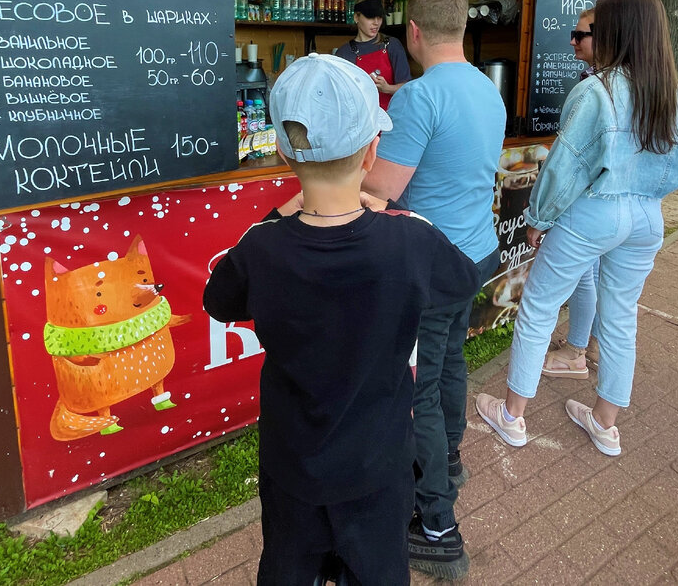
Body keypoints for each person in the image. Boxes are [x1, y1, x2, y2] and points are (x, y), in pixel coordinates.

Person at [204, 53, 478, 586]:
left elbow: (220, 299)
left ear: (283, 152)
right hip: (378, 468)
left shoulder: (262, 247)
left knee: (287, 568)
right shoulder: (410, 239)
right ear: (373, 152)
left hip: (292, 465)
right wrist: (395, 212)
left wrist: (279, 213)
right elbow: (463, 279)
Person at [475, 0, 678, 458]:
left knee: (538, 306)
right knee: (621, 320)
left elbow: (565, 165)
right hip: (646, 216)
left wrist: (538, 217)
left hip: (593, 212)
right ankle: (605, 423)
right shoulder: (669, 92)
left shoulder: (596, 90)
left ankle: (512, 416)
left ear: (618, 30)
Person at [362, 0, 505, 580]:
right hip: (475, 256)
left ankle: (439, 530)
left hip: (428, 265)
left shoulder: (420, 98)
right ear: (463, 30)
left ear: (412, 32)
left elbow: (379, 191)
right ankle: (447, 460)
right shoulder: (487, 90)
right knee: (448, 364)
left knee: (417, 386)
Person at [541, 8, 599, 379]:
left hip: (590, 200)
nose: (572, 41)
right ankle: (589, 345)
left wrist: (540, 216)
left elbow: (569, 158)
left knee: (582, 275)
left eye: (580, 35)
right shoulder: (645, 79)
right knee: (597, 275)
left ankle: (577, 349)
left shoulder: (594, 88)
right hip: (625, 205)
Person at [335, 0, 412, 110]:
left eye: (379, 17)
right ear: (356, 17)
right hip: (361, 123)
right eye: (370, 17)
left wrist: (388, 88)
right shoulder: (344, 53)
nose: (376, 23)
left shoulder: (392, 45)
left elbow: (408, 88)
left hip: (392, 121)